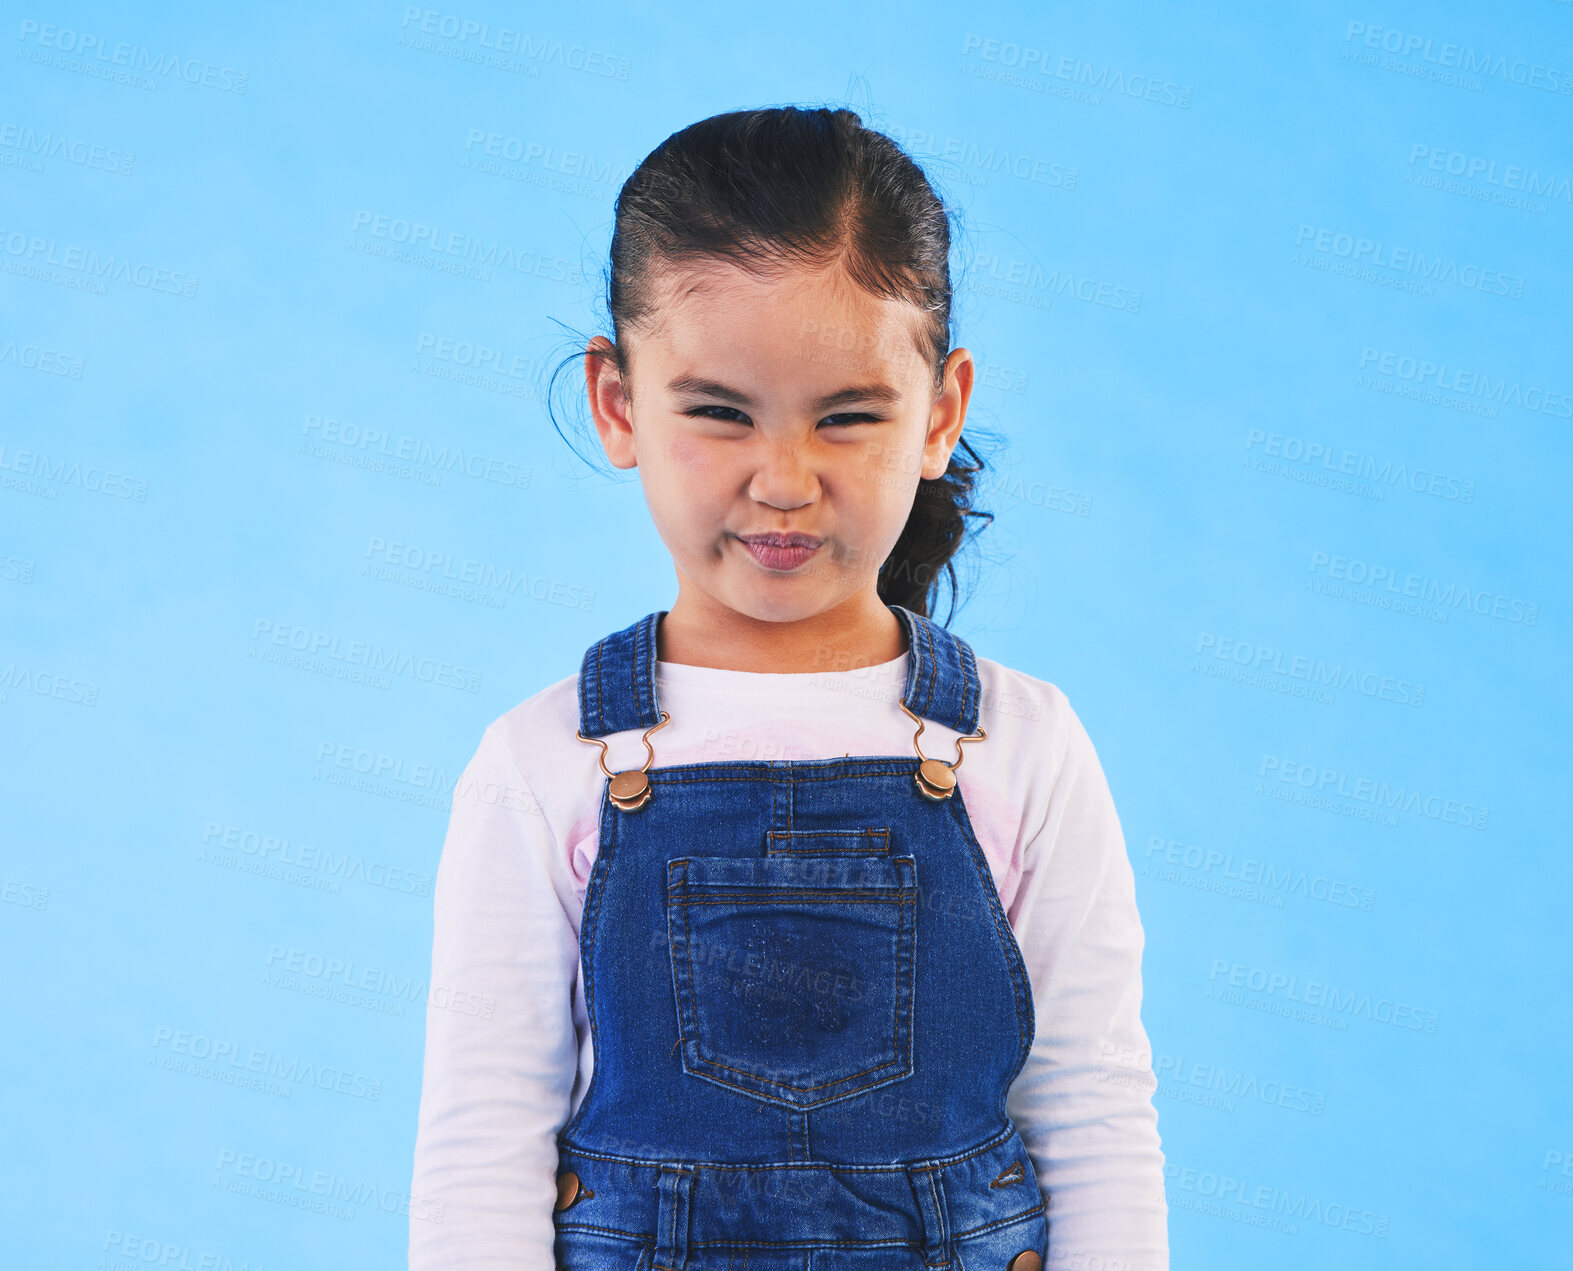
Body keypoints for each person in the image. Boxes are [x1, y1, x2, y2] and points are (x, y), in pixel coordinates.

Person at [409, 105, 1168, 1271]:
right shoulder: (541, 763)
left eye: (848, 418)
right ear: (619, 404)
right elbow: (481, 1150)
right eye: (718, 412)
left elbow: (1094, 1117)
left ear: (939, 412)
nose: (783, 479)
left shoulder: (1023, 746)